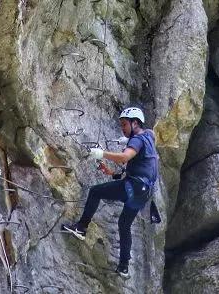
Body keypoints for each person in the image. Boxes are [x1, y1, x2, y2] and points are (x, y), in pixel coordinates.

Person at [61, 107, 159, 279]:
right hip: (143, 193)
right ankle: (123, 267)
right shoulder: (148, 136)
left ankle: (81, 228)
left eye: (125, 124)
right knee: (124, 225)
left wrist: (102, 153)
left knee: (95, 192)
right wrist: (112, 172)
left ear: (135, 123)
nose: (122, 128)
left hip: (133, 187)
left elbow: (124, 158)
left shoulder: (137, 140)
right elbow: (146, 148)